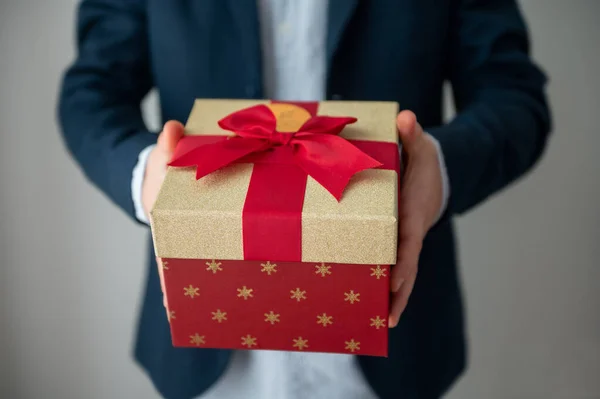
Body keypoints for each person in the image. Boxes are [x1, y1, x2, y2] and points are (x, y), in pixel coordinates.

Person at [57, 1, 551, 398]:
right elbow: (91, 93)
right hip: (205, 360)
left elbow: (513, 96)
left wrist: (436, 173)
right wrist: (150, 181)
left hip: (395, 351)